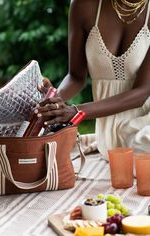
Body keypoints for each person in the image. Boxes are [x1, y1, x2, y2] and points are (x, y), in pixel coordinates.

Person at [36, 0, 150, 160]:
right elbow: (75, 77)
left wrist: (76, 112)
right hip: (107, 135)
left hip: (144, 124)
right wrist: (54, 101)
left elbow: (143, 92)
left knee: (142, 149)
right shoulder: (84, 5)